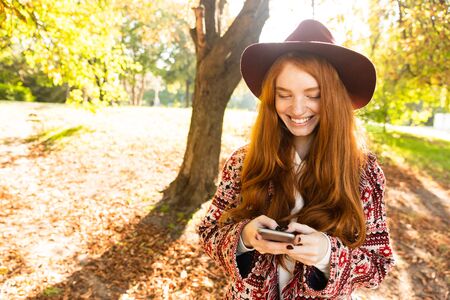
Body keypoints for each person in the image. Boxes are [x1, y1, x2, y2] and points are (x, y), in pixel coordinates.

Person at [197, 19, 395, 299]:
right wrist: (245, 237)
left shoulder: (364, 171)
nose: (297, 109)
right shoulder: (243, 161)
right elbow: (209, 232)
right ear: (271, 99)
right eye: (284, 95)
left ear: (334, 98)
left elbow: (379, 264)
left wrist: (327, 254)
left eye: (313, 95)